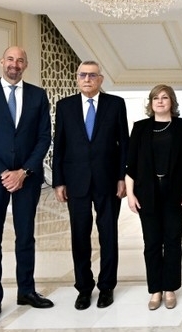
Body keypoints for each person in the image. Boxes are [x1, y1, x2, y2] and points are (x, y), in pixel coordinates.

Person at [0, 46, 54, 328]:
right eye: (10, 59)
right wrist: (5, 173)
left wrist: (24, 172)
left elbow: (44, 137)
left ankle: (26, 290)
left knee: (26, 236)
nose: (14, 64)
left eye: (20, 60)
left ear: (25, 65)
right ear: (1, 62)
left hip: (27, 179)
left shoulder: (38, 96)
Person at [52, 61, 129, 310]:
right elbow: (59, 145)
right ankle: (84, 288)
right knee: (79, 236)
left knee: (108, 235)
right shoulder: (64, 106)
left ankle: (107, 287)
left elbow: (124, 144)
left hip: (108, 181)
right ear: (77, 78)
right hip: (76, 182)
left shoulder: (115, 104)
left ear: (100, 79)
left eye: (92, 75)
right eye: (83, 75)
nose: (87, 79)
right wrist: (58, 181)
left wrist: (122, 177)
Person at [125, 84, 182, 310]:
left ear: (172, 102)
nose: (160, 101)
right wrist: (130, 194)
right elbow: (131, 166)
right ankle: (155, 290)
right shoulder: (140, 128)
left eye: (164, 97)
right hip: (146, 193)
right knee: (152, 243)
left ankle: (170, 288)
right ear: (150, 103)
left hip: (176, 193)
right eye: (155, 98)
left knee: (173, 241)